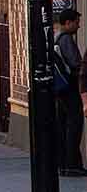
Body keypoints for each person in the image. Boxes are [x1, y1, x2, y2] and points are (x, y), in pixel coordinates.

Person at [56, 9, 87, 176]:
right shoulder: (66, 40)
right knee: (74, 127)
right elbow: (75, 64)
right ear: (68, 23)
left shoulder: (57, 38)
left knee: (65, 126)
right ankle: (72, 164)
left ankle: (65, 164)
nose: (79, 25)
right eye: (76, 22)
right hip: (70, 89)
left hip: (62, 91)